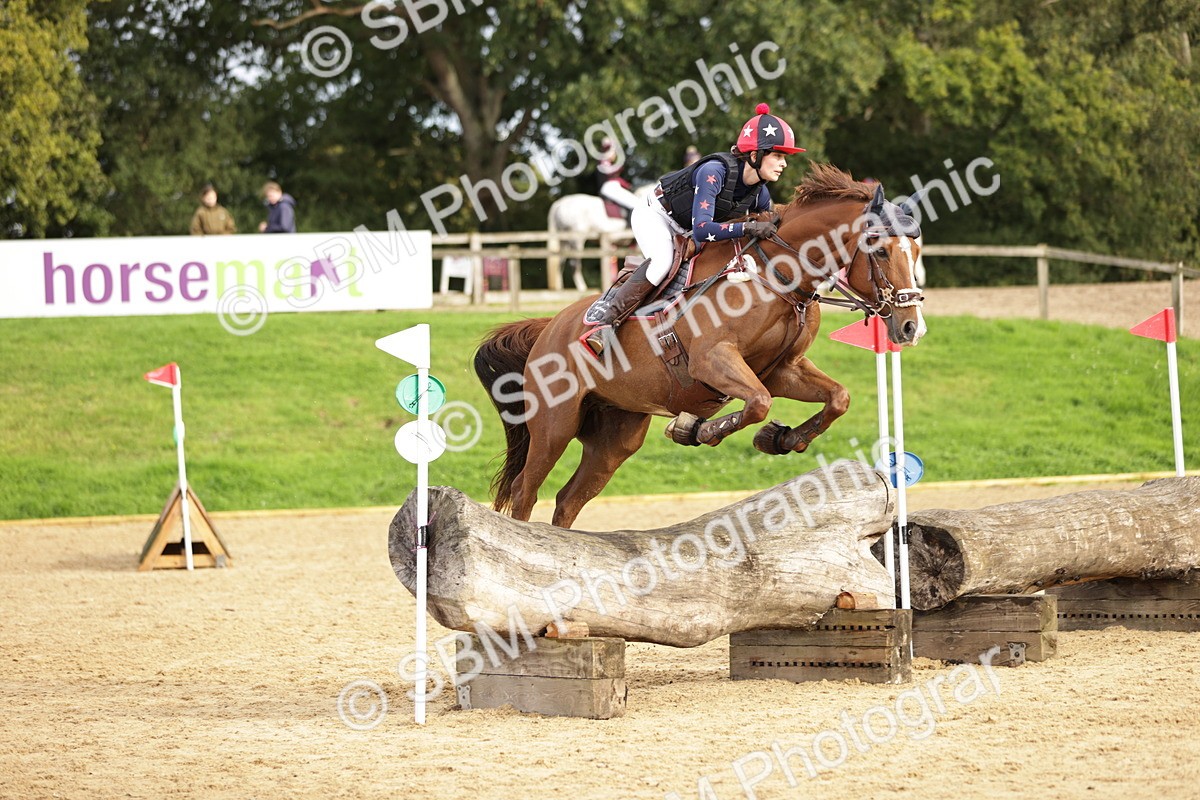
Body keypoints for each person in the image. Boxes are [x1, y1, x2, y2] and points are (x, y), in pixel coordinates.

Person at [585, 103, 805, 355]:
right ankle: (605, 324)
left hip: (687, 228)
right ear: (755, 155)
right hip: (656, 216)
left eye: (784, 157)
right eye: (778, 156)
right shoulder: (714, 172)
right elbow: (702, 230)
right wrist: (748, 227)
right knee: (662, 262)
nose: (784, 164)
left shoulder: (760, 194)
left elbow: (766, 235)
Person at [593, 139, 638, 218]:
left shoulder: (608, 163)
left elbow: (617, 179)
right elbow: (611, 173)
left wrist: (628, 185)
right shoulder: (604, 162)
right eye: (613, 152)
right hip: (609, 188)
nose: (615, 154)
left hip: (613, 187)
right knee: (634, 203)